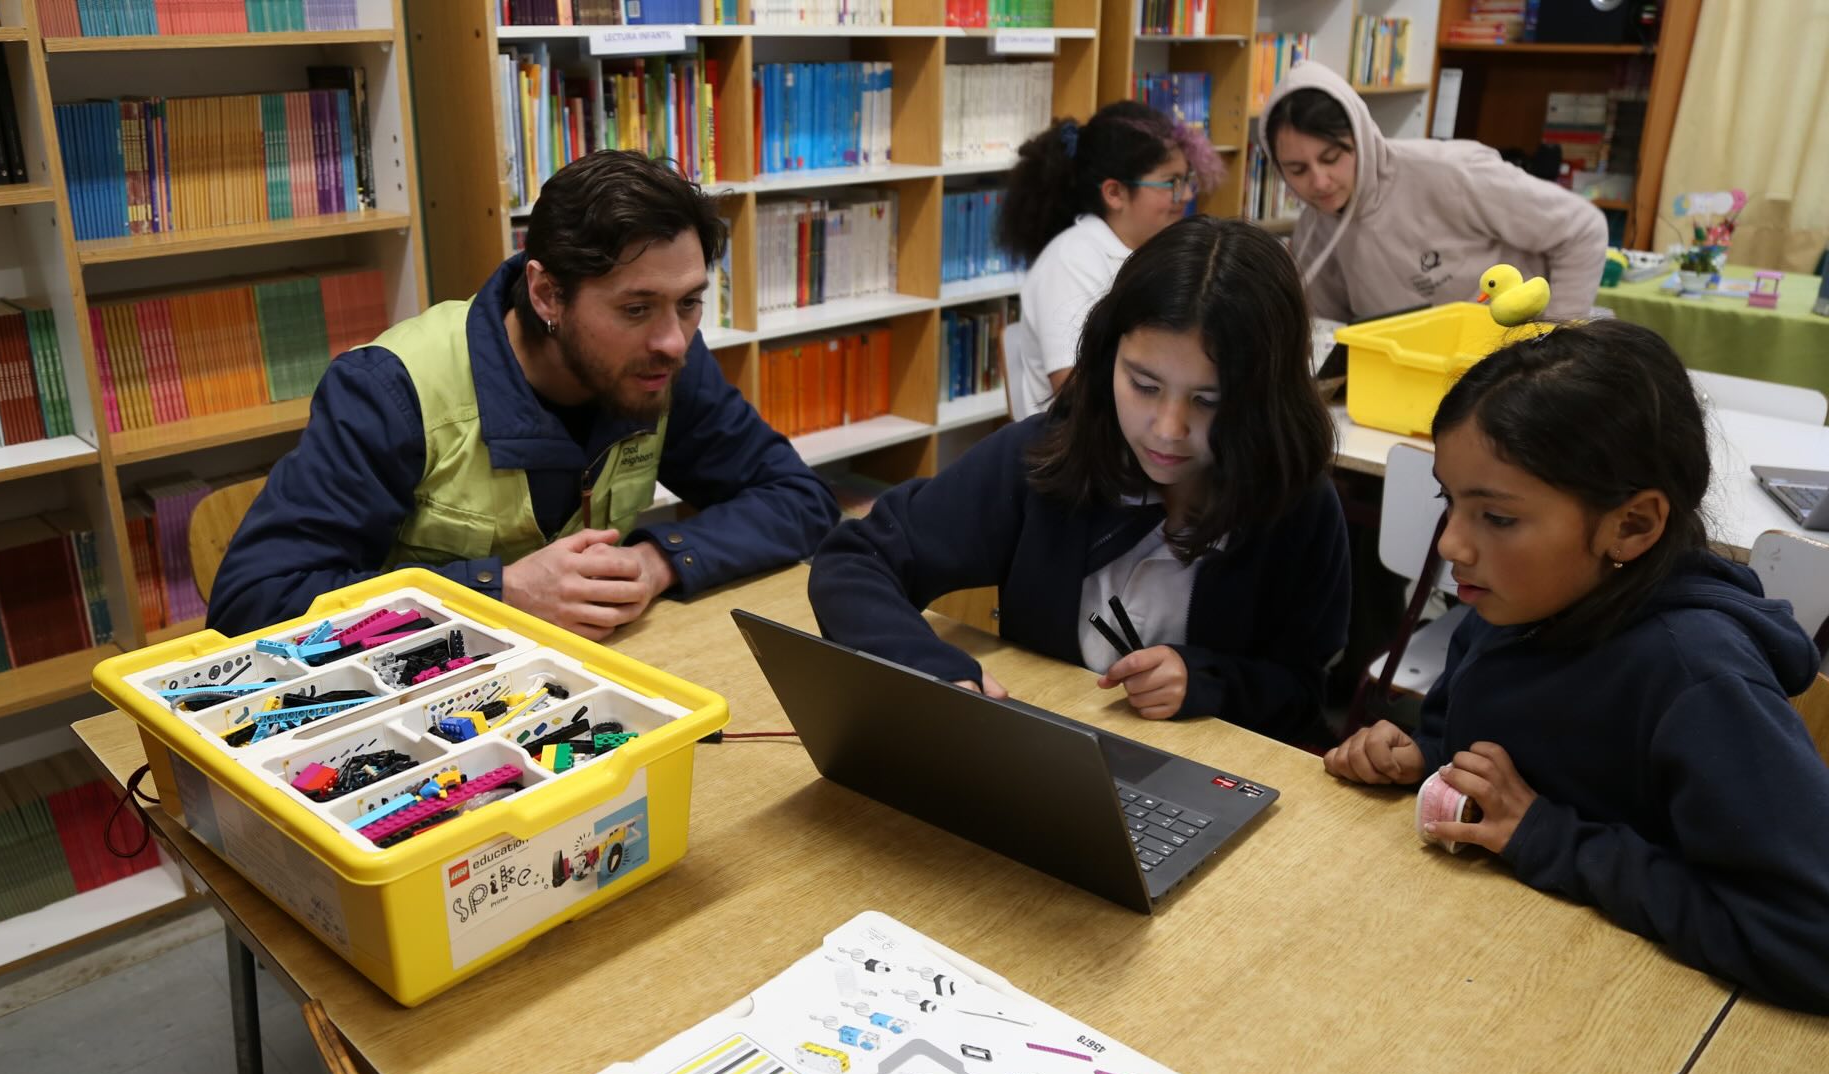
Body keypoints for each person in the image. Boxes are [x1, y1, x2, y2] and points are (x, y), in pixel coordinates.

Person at [1324, 321, 1829, 1013]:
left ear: (1631, 526)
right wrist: (1422, 758)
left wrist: (1547, 838)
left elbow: (1809, 939)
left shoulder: (1699, 680)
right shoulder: (1515, 606)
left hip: (1631, 1023)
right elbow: (1478, 746)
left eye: (1497, 518)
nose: (1452, 544)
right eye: (1450, 501)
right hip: (1494, 967)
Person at [207, 150, 840, 639]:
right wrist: (497, 592)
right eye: (636, 307)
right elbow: (253, 604)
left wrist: (659, 562)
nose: (673, 340)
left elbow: (799, 500)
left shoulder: (661, 360)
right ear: (545, 295)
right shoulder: (389, 391)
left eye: (690, 303)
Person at [809, 216, 1349, 743]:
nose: (1167, 429)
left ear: (1263, 400)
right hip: (1048, 754)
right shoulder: (1045, 454)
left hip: (1215, 781)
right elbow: (856, 561)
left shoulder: (1297, 504)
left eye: (1209, 401)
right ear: (1107, 356)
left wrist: (1210, 682)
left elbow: (1303, 692)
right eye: (1143, 384)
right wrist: (931, 668)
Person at [1259, 61, 1608, 323]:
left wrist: (1554, 345)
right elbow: (1330, 333)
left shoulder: (1449, 172)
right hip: (1422, 379)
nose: (1320, 182)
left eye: (1332, 158)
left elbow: (1583, 229)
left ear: (1361, 137)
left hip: (1513, 367)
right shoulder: (1313, 233)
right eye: (1297, 170)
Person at [1000, 101, 1225, 413]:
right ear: (1115, 193)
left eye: (1186, 180)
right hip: (1083, 448)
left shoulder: (1154, 251)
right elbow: (1075, 393)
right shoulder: (1070, 261)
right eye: (1170, 183)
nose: (1186, 195)